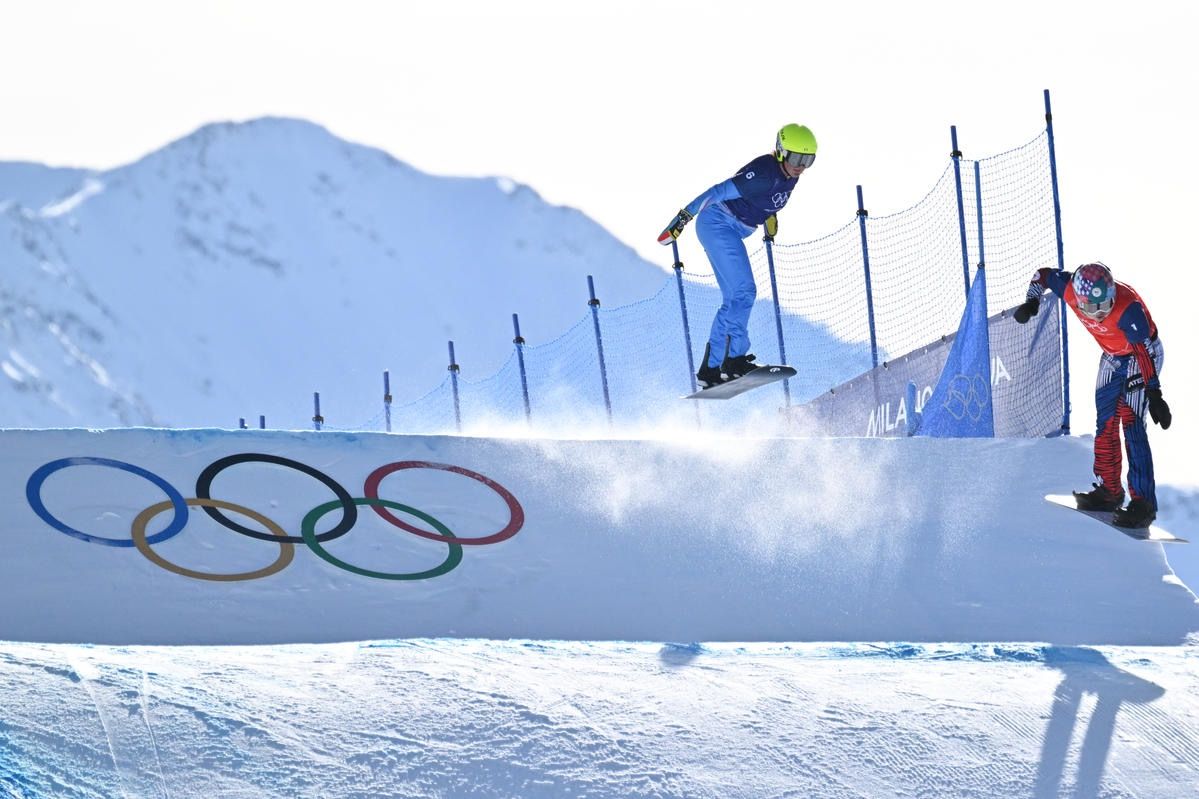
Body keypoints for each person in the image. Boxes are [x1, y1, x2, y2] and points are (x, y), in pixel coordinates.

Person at [1014, 262, 1172, 528]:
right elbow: (1043, 275)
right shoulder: (1069, 289)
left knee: (1131, 423)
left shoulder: (1128, 309)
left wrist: (1154, 394)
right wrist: (1032, 302)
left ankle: (1143, 503)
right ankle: (1110, 491)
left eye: (1105, 306)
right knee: (1106, 421)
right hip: (1113, 355)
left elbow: (1144, 352)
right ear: (1079, 299)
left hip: (1141, 355)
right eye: (1092, 308)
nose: (1099, 314)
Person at [658, 123, 817, 387]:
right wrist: (684, 216)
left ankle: (720, 367)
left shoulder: (791, 174)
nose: (801, 166)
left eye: (808, 160)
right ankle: (728, 362)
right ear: (781, 151)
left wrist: (769, 215)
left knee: (735, 298)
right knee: (744, 292)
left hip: (732, 226)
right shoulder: (764, 172)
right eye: (796, 157)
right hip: (718, 222)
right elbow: (718, 191)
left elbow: (767, 197)